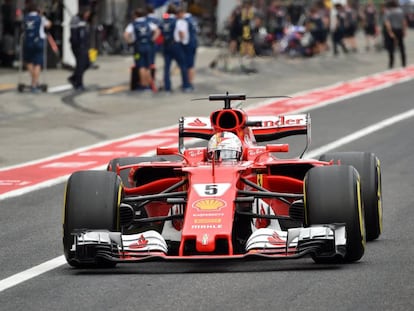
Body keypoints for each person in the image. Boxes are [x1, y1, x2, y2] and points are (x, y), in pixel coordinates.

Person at [124, 8, 160, 91]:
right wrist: (152, 39)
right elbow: (157, 31)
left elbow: (126, 35)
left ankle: (143, 85)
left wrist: (130, 42)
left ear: (135, 15)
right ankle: (148, 85)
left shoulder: (132, 24)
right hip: (148, 47)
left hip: (138, 48)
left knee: (140, 66)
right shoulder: (148, 23)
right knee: (148, 66)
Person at [159, 4, 191, 93]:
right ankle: (186, 85)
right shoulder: (178, 21)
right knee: (182, 65)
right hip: (176, 45)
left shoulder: (164, 21)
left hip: (166, 46)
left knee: (167, 67)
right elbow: (182, 33)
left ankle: (167, 87)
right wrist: (182, 41)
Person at [22, 2, 51, 93]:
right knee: (37, 63)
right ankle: (34, 85)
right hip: (38, 42)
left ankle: (35, 81)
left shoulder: (25, 18)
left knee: (28, 62)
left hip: (28, 42)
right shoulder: (40, 18)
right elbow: (49, 24)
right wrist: (42, 15)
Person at [68, 7, 91, 91]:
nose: (88, 15)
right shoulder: (76, 20)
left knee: (87, 63)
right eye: (87, 13)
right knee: (80, 65)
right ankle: (79, 84)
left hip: (84, 46)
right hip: (78, 46)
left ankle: (74, 77)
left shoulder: (84, 21)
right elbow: (74, 34)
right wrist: (77, 45)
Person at [384, 0, 407, 68]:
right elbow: (404, 21)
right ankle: (403, 63)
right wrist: (404, 30)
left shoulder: (388, 12)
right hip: (399, 30)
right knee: (401, 46)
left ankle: (391, 64)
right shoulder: (400, 11)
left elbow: (387, 23)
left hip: (393, 29)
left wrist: (390, 32)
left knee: (391, 48)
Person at [184, 9, 198, 88]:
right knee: (192, 64)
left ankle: (188, 83)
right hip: (194, 42)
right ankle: (190, 82)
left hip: (188, 44)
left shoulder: (185, 20)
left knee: (188, 65)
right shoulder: (193, 19)